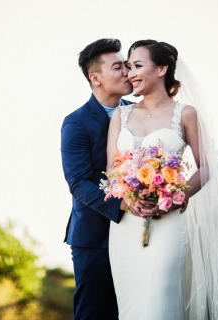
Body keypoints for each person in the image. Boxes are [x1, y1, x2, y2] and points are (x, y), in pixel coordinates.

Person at [106, 40, 218, 319]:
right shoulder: (121, 114)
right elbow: (112, 169)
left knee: (161, 299)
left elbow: (207, 167)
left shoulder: (186, 114)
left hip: (168, 221)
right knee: (130, 305)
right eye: (129, 67)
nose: (130, 73)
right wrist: (128, 198)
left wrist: (174, 197)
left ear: (162, 69)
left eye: (138, 66)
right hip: (125, 225)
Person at [61, 38, 151, 319]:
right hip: (93, 236)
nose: (127, 72)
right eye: (118, 67)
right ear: (95, 78)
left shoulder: (141, 113)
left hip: (141, 231)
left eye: (127, 65)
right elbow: (78, 184)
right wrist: (122, 203)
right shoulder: (75, 122)